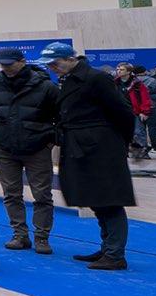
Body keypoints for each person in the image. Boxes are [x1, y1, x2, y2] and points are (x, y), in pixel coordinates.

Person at [41, 41, 136, 270]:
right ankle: (107, 248)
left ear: (70, 59)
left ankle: (115, 255)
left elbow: (123, 112)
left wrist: (116, 143)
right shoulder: (68, 80)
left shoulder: (95, 79)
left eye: (56, 63)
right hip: (82, 146)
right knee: (96, 199)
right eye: (50, 65)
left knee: (109, 200)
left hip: (100, 148)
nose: (52, 68)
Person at [0, 47, 59, 252]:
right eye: (2, 65)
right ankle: (20, 235)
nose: (6, 68)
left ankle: (41, 237)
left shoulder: (46, 87)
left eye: (10, 64)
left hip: (37, 147)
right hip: (3, 147)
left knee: (42, 195)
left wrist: (51, 138)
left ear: (22, 61)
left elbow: (61, 114)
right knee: (11, 194)